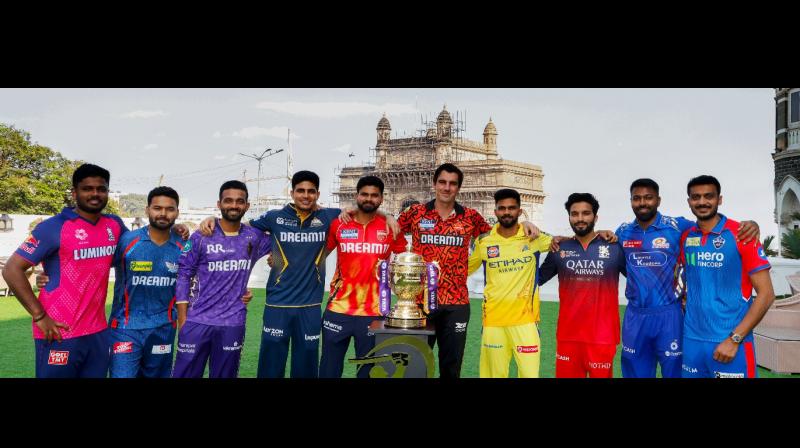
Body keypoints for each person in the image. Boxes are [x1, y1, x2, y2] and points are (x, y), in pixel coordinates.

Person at [397, 163, 540, 378]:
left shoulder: (471, 217)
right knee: (416, 366)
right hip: (420, 302)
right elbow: (388, 226)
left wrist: (525, 221)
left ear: (458, 188)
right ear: (434, 184)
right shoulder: (416, 213)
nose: (447, 187)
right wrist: (384, 214)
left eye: (452, 184)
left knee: (451, 367)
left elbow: (501, 232)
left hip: (456, 304)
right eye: (442, 182)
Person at [615, 178, 760, 378]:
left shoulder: (679, 227)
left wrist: (752, 224)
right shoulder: (622, 232)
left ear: (658, 200)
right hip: (635, 316)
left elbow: (709, 227)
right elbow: (620, 264)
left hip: (669, 315)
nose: (642, 203)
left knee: (675, 372)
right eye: (637, 198)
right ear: (631, 201)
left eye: (648, 198)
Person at [2, 164, 128, 378]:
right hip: (59, 330)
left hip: (97, 332)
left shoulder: (114, 225)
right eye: (87, 188)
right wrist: (40, 315)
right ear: (74, 192)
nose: (95, 194)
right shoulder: (53, 227)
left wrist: (174, 230)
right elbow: (12, 269)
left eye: (101, 188)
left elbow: (141, 244)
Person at [171, 180, 271, 378]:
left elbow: (284, 239)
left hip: (232, 322)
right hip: (197, 320)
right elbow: (183, 274)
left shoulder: (254, 237)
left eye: (239, 201)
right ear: (219, 204)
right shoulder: (202, 235)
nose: (234, 205)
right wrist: (183, 318)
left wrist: (273, 257)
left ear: (247, 206)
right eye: (228, 201)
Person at [678, 175, 774, 378]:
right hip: (692, 340)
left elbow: (766, 295)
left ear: (719, 199)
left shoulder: (742, 234)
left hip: (730, 342)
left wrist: (734, 339)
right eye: (696, 197)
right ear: (689, 202)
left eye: (708, 196)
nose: (702, 202)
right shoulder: (686, 237)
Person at [319, 175, 407, 378]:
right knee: (329, 369)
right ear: (357, 196)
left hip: (374, 312)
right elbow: (317, 255)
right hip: (338, 308)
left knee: (368, 371)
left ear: (381, 199)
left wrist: (388, 216)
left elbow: (404, 260)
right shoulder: (340, 225)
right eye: (364, 194)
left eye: (374, 195)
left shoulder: (390, 227)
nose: (369, 199)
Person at [539, 193, 626, 378]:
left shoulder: (614, 247)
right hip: (568, 335)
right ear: (569, 217)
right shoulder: (559, 248)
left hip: (603, 337)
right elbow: (535, 279)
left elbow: (640, 277)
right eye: (574, 214)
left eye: (586, 213)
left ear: (595, 217)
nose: (580, 218)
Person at [467, 189, 553, 378]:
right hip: (493, 323)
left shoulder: (534, 237)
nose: (507, 212)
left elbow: (565, 243)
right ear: (495, 211)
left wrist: (601, 235)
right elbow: (463, 269)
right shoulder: (485, 242)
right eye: (502, 208)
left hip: (526, 322)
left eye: (512, 208)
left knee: (529, 375)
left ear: (520, 211)